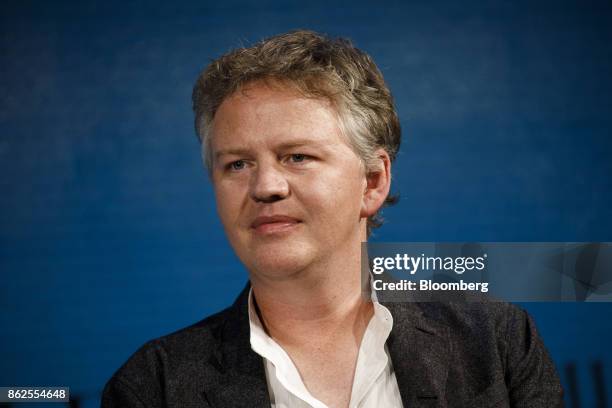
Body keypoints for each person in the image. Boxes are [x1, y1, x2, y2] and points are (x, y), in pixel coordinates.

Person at [102, 30, 563, 407]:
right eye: (236, 164)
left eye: (297, 156)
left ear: (372, 182)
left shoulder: (497, 342)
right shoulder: (152, 387)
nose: (266, 186)